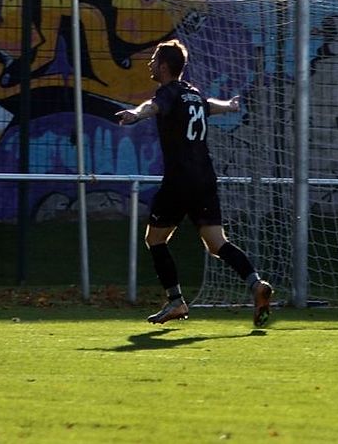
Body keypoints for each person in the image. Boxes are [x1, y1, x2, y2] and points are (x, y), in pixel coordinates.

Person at [116, 39, 274, 326]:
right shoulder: (193, 93)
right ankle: (256, 284)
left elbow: (152, 106)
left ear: (164, 67)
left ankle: (176, 301)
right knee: (217, 243)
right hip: (205, 178)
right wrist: (230, 105)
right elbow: (208, 105)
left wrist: (135, 114)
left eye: (154, 60)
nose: (150, 64)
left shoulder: (167, 93)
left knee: (155, 239)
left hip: (179, 179)